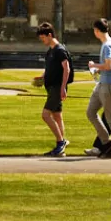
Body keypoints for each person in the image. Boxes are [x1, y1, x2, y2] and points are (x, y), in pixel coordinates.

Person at [84, 18, 111, 159]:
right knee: (91, 112)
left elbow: (108, 65)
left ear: (97, 30)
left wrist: (94, 66)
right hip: (103, 83)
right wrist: (98, 71)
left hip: (109, 85)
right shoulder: (109, 43)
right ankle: (106, 142)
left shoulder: (107, 45)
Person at [32, 21, 72, 157]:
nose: (42, 40)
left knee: (45, 115)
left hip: (56, 88)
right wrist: (42, 77)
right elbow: (50, 68)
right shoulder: (51, 51)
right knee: (57, 116)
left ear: (49, 35)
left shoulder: (60, 50)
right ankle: (62, 144)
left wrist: (63, 88)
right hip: (51, 87)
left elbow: (66, 69)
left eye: (43, 38)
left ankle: (60, 142)